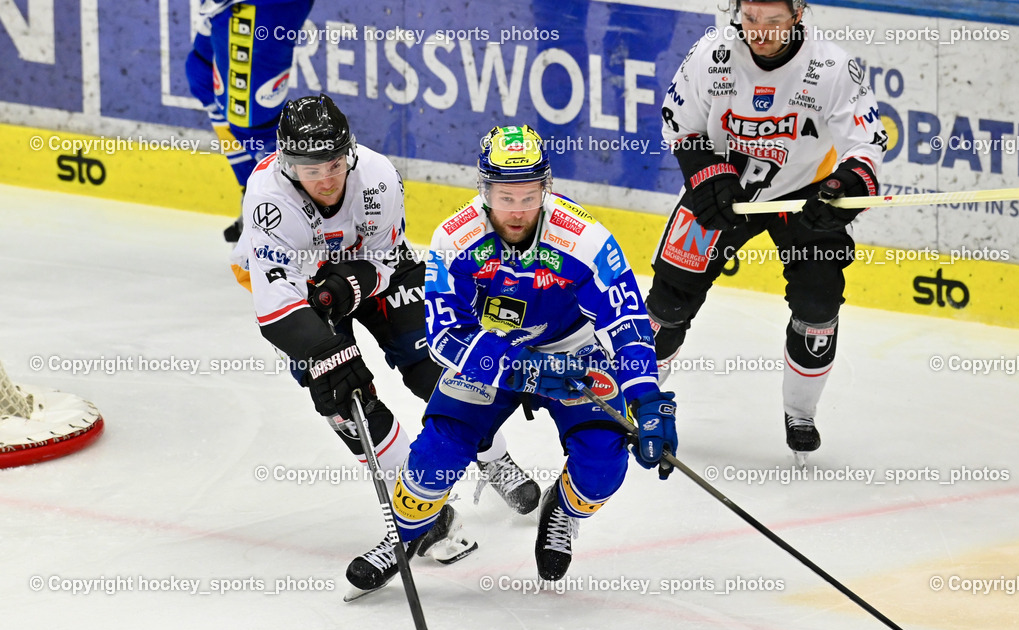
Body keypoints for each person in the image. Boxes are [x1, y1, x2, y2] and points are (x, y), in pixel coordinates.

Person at [229, 95, 541, 593]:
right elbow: (275, 307)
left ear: (348, 152)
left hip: (375, 275)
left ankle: (492, 455)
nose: (327, 179)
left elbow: (386, 260)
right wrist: (331, 354)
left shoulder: (375, 176)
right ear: (288, 164)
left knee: (439, 371)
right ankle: (422, 506)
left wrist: (351, 285)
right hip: (304, 298)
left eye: (334, 163)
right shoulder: (268, 199)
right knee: (345, 403)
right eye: (311, 168)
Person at [347, 124, 679, 591]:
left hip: (572, 349)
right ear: (484, 191)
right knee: (435, 456)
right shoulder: (454, 241)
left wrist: (646, 398)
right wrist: (521, 368)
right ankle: (403, 533)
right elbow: (443, 337)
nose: (518, 210)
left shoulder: (584, 239)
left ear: (547, 188)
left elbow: (626, 322)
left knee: (604, 464)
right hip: (490, 351)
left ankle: (561, 509)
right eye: (506, 197)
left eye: (529, 196)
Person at [647, 0, 886, 463]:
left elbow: (868, 144)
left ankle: (800, 411)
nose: (759, 32)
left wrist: (844, 185)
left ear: (798, 15)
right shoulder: (711, 54)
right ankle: (636, 398)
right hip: (723, 192)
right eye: (750, 19)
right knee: (667, 302)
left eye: (773, 21)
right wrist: (704, 173)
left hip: (804, 197)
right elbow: (678, 122)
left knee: (818, 305)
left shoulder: (832, 67)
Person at [185, 0, 314, 242]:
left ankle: (312, 222)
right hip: (224, 7)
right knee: (201, 74)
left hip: (260, 8)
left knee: (253, 123)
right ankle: (255, 193)